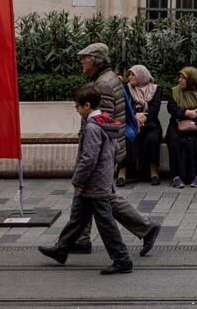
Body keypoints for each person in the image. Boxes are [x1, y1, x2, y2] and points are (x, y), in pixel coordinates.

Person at [37, 84, 133, 275]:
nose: (77, 110)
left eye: (77, 106)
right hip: (101, 178)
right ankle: (61, 249)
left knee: (105, 222)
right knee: (78, 218)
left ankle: (122, 259)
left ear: (87, 105)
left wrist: (78, 180)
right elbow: (113, 151)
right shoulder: (105, 121)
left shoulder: (91, 127)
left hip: (93, 183)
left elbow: (88, 158)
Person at [76, 44, 160, 256]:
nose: (81, 62)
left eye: (84, 58)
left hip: (101, 152)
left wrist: (92, 156)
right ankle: (78, 239)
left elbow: (101, 123)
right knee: (91, 196)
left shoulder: (103, 84)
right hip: (108, 150)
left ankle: (144, 230)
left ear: (94, 60)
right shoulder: (110, 79)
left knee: (97, 196)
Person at [166, 66, 197, 188]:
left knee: (195, 142)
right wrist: (186, 113)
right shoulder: (175, 91)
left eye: (183, 78)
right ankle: (176, 176)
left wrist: (193, 114)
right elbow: (171, 108)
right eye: (180, 77)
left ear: (192, 80)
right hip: (177, 123)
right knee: (175, 140)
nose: (180, 80)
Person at [120, 65, 162, 186]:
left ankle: (153, 170)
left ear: (141, 75)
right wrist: (134, 116)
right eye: (129, 74)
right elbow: (124, 107)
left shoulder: (155, 89)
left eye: (133, 74)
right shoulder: (126, 89)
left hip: (150, 124)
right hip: (131, 123)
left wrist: (145, 117)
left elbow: (155, 108)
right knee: (127, 138)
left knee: (152, 139)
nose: (130, 77)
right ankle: (122, 171)